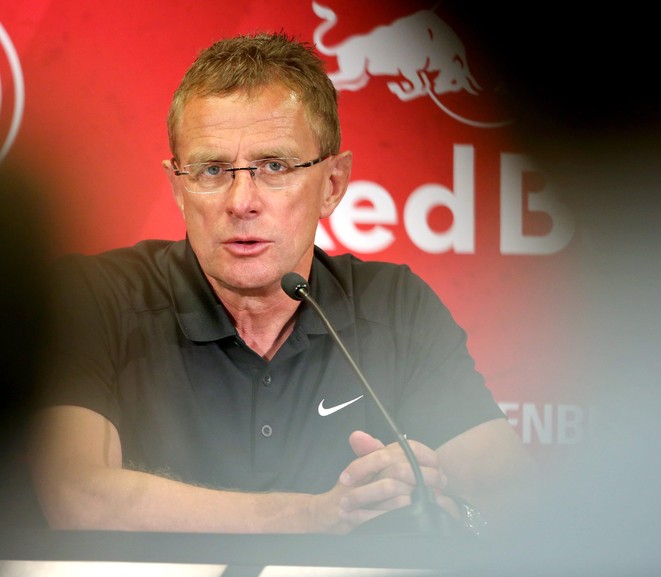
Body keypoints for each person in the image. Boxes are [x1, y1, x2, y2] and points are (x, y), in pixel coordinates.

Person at [27, 31, 535, 536]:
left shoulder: (394, 306)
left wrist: (443, 509)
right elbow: (78, 496)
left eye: (275, 166)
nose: (241, 201)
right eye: (212, 169)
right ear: (178, 187)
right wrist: (318, 516)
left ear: (332, 185)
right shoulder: (94, 297)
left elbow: (516, 504)